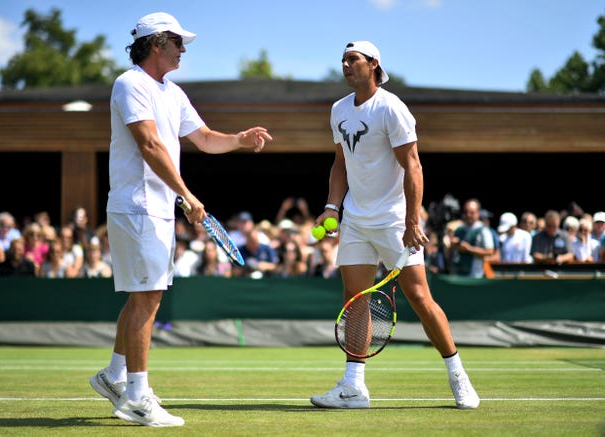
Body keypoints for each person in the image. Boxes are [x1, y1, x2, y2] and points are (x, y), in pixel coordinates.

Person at [89, 12, 272, 428]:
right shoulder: (130, 83)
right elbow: (151, 145)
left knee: (142, 296)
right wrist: (187, 196)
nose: (184, 50)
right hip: (137, 206)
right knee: (147, 298)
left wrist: (240, 140)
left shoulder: (172, 91)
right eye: (177, 43)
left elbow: (204, 139)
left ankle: (115, 375)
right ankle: (136, 396)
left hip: (156, 209)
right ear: (156, 44)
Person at [309, 41, 479, 410]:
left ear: (373, 65)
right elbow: (340, 164)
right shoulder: (338, 109)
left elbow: (413, 166)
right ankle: (354, 388)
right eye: (343, 59)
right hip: (355, 220)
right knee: (355, 302)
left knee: (420, 299)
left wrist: (412, 220)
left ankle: (458, 375)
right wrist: (331, 207)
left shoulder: (392, 108)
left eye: (353, 59)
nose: (345, 64)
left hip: (393, 221)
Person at [450, 199, 495, 278]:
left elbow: (490, 251)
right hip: (459, 273)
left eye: (471, 212)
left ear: (478, 213)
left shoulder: (483, 230)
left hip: (475, 274)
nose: (468, 215)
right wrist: (453, 245)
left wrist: (469, 249)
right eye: (466, 212)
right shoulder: (459, 229)